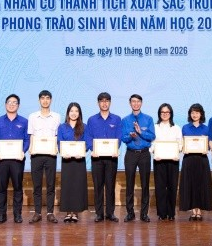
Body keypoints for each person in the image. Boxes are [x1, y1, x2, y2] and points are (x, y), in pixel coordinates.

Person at [0, 94, 30, 224]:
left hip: (17, 160)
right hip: (2, 159)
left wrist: (23, 151)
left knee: (17, 187)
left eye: (14, 102)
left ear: (18, 105)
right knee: (1, 188)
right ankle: (1, 215)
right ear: (5, 104)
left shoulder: (24, 121)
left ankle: (17, 215)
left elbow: (27, 139)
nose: (12, 104)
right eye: (9, 102)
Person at [85, 92, 122, 222]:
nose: (104, 103)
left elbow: (119, 136)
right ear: (98, 103)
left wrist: (115, 148)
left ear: (110, 102)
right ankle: (99, 213)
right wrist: (92, 149)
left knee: (110, 186)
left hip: (112, 158)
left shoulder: (116, 119)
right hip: (97, 158)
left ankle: (110, 213)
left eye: (107, 101)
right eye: (102, 101)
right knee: (98, 186)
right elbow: (88, 136)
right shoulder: (92, 120)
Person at [27, 90, 61, 224]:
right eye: (42, 98)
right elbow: (31, 135)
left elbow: (57, 136)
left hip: (51, 155)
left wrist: (57, 149)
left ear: (51, 100)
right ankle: (37, 213)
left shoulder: (56, 117)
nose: (45, 100)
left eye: (47, 98)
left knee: (51, 184)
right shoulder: (32, 117)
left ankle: (50, 213)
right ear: (39, 100)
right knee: (37, 185)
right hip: (36, 155)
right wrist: (31, 149)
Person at [121, 94, 155, 222]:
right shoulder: (125, 120)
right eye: (133, 101)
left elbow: (152, 136)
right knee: (129, 184)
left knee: (145, 184)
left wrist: (140, 132)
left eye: (138, 101)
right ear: (130, 103)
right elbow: (123, 138)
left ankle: (144, 214)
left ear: (141, 103)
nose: (136, 104)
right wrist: (131, 136)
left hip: (144, 154)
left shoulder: (148, 119)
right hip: (130, 153)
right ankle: (130, 213)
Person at [178, 103, 212, 221]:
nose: (195, 115)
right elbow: (182, 143)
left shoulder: (206, 128)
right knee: (190, 184)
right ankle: (193, 210)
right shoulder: (185, 128)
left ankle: (200, 211)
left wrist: (209, 149)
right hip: (189, 159)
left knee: (201, 184)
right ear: (190, 114)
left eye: (197, 112)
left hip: (202, 159)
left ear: (201, 114)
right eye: (192, 112)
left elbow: (209, 144)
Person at [57, 102, 89, 222]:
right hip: (66, 161)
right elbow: (59, 142)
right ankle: (67, 212)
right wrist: (63, 152)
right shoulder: (62, 127)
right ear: (68, 113)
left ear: (79, 113)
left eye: (76, 111)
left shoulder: (84, 126)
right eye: (71, 111)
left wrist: (82, 151)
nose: (74, 113)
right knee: (67, 185)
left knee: (78, 185)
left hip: (79, 161)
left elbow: (87, 142)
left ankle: (75, 212)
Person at [152, 103, 182, 221]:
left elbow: (180, 144)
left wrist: (177, 154)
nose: (165, 114)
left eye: (167, 112)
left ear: (171, 114)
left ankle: (171, 213)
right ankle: (161, 213)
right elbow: (151, 143)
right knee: (160, 187)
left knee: (172, 187)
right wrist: (154, 152)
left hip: (173, 161)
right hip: (159, 160)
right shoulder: (155, 127)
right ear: (159, 114)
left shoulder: (176, 128)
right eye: (162, 112)